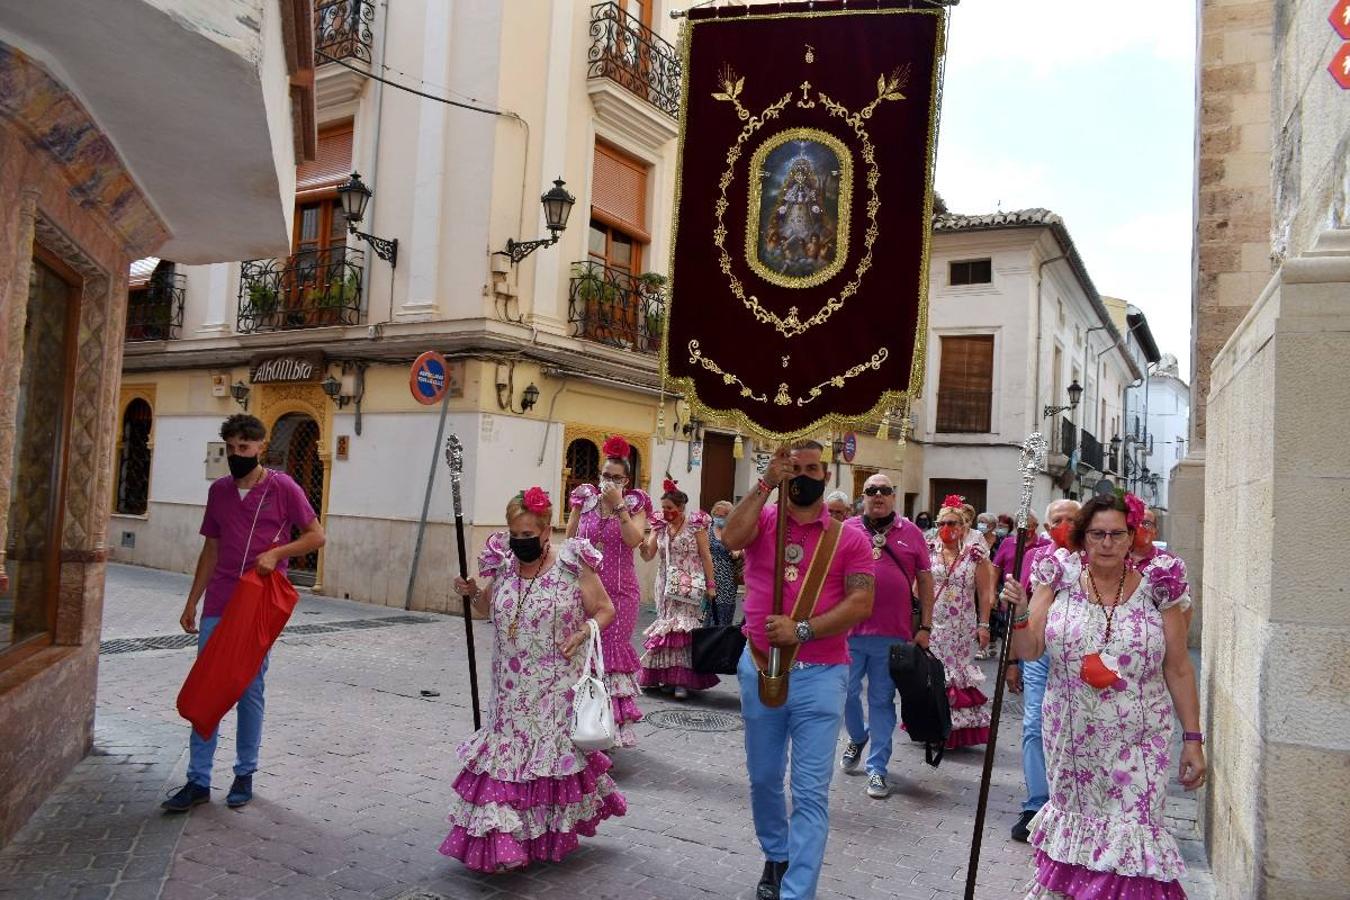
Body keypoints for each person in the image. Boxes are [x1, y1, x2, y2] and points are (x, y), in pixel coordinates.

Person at [1005, 491, 1204, 898]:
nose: (1107, 543)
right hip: (1072, 739)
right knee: (1078, 827)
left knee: (1134, 833)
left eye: (1117, 533)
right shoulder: (1056, 576)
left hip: (1140, 739)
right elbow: (1030, 651)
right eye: (1097, 534)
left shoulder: (1161, 584)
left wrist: (1193, 739)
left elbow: (1179, 667)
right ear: (1082, 537)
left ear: (1133, 537)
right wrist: (1021, 612)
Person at [721, 443, 875, 900]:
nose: (804, 476)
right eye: (796, 469)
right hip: (758, 669)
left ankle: (797, 891)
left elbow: (860, 602)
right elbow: (729, 538)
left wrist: (802, 629)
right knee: (764, 777)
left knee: (810, 792)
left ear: (825, 476)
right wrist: (766, 481)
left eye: (812, 469)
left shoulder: (849, 538)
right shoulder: (764, 521)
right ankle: (776, 852)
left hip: (823, 675)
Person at [442, 487, 625, 872]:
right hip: (508, 691)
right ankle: (504, 837)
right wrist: (472, 591)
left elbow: (606, 609)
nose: (520, 543)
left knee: (544, 765)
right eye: (515, 535)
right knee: (505, 761)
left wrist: (584, 631)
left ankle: (538, 836)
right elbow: (484, 608)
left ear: (546, 531)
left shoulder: (573, 563)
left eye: (528, 536)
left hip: (554, 690)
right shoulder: (505, 564)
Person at [163, 414, 325, 812]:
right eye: (231, 448)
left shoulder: (282, 487)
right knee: (209, 684)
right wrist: (191, 601)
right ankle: (198, 780)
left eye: (245, 449)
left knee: (249, 688)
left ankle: (244, 772)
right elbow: (211, 550)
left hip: (258, 602)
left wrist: (276, 553)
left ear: (260, 448)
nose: (237, 455)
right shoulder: (218, 492)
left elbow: (316, 536)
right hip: (219, 600)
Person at [838, 474, 934, 799]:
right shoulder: (848, 529)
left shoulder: (911, 532)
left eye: (885, 491)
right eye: (871, 491)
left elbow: (925, 581)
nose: (878, 496)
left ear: (894, 497)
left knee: (880, 701)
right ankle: (858, 735)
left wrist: (926, 627)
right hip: (849, 631)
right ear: (862, 497)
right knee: (845, 694)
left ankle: (877, 769)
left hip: (893, 635)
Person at [1001, 499, 1077, 842]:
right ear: (1047, 528)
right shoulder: (1040, 561)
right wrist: (1013, 661)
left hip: (1077, 657)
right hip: (1039, 652)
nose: (1065, 525)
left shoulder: (1099, 559)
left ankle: (1069, 801)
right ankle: (1036, 803)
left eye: (1072, 519)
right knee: (1034, 724)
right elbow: (1025, 615)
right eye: (1058, 520)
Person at [566, 435, 650, 747]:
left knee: (609, 658)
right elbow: (571, 535)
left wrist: (619, 509)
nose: (609, 482)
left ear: (626, 480)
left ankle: (606, 734)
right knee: (585, 654)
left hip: (621, 593)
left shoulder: (634, 503)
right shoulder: (584, 499)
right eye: (605, 476)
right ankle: (580, 724)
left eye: (616, 478)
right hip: (586, 591)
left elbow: (633, 540)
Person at [639, 480, 719, 699]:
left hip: (689, 582)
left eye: (670, 508)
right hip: (665, 583)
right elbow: (649, 556)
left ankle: (681, 680)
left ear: (681, 508)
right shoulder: (660, 526)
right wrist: (642, 545)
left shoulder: (695, 525)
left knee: (683, 628)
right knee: (667, 627)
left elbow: (705, 556)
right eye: (663, 508)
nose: (666, 512)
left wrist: (711, 585)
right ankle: (665, 676)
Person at [927, 495, 995, 748]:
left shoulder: (975, 556)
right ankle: (932, 725)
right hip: (933, 623)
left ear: (964, 526)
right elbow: (917, 588)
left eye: (953, 523)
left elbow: (985, 592)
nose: (948, 528)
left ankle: (955, 729)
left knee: (955, 673)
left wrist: (984, 624)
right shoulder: (929, 550)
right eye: (943, 523)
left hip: (961, 626)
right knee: (933, 672)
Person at [1130, 507, 1194, 632]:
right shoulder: (1118, 559)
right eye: (1137, 522)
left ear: (1155, 531)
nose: (1141, 527)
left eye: (1147, 523)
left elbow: (1184, 606)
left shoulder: (1169, 563)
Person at [707, 499, 741, 627]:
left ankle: (723, 639)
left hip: (728, 577)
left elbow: (744, 548)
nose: (719, 518)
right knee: (708, 611)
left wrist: (738, 552)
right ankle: (707, 641)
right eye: (717, 516)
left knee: (725, 611)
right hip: (710, 575)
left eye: (723, 516)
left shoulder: (734, 530)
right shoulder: (707, 529)